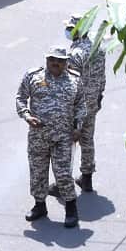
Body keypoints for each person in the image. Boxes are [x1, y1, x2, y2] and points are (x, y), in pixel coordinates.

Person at [16, 45, 89, 228]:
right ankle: (39, 206)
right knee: (38, 172)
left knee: (63, 174)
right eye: (52, 59)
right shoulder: (33, 77)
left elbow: (81, 105)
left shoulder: (75, 81)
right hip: (38, 135)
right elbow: (20, 97)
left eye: (59, 60)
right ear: (47, 60)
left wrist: (78, 127)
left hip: (63, 137)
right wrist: (26, 115)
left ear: (66, 63)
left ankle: (71, 210)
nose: (55, 63)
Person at [65, 15, 105, 193]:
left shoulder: (75, 54)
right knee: (87, 139)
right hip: (93, 102)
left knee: (68, 142)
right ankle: (87, 178)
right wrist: (99, 97)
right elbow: (102, 77)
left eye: (70, 28)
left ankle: (62, 183)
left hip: (78, 106)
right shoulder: (99, 48)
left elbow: (70, 84)